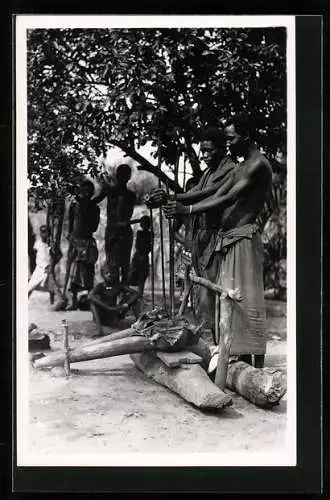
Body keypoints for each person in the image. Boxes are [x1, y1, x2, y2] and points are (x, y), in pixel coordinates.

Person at [164, 114, 273, 368]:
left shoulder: (258, 164)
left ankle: (252, 363)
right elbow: (213, 191)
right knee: (231, 300)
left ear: (245, 136)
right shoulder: (244, 164)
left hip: (244, 239)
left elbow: (228, 198)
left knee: (245, 299)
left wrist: (187, 211)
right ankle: (237, 360)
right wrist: (174, 197)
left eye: (231, 139)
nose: (229, 144)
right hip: (231, 241)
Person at [147, 127, 236, 332]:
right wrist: (167, 197)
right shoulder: (209, 171)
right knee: (199, 291)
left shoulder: (230, 170)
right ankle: (209, 341)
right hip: (202, 237)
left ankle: (217, 345)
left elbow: (208, 194)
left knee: (211, 292)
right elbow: (194, 192)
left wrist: (178, 202)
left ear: (223, 148)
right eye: (202, 151)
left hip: (217, 237)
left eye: (209, 151)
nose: (204, 155)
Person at [93, 164, 136, 286]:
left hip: (124, 230)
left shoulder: (131, 195)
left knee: (125, 264)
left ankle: (122, 293)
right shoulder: (109, 191)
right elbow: (94, 202)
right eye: (121, 174)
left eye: (126, 175)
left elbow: (129, 213)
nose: (124, 177)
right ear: (117, 176)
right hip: (112, 231)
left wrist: (123, 222)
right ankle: (112, 293)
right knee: (112, 263)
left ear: (129, 177)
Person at [64, 180, 100, 310]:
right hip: (75, 241)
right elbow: (70, 221)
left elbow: (95, 227)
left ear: (92, 193)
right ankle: (72, 301)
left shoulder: (94, 207)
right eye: (83, 190)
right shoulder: (75, 205)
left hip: (88, 241)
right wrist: (70, 236)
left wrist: (87, 212)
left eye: (89, 191)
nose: (86, 193)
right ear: (80, 192)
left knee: (88, 270)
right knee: (74, 271)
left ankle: (90, 300)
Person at [89, 262, 141, 337]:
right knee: (93, 304)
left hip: (115, 313)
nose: (109, 275)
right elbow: (90, 296)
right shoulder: (100, 286)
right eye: (106, 273)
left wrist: (126, 304)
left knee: (134, 300)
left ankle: (139, 324)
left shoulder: (118, 285)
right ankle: (100, 331)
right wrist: (108, 307)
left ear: (115, 274)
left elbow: (136, 293)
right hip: (103, 315)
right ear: (102, 275)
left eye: (111, 273)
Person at [128, 215, 152, 297]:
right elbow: (138, 245)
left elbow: (148, 247)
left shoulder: (148, 234)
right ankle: (131, 293)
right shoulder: (141, 233)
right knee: (133, 274)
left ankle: (139, 294)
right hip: (140, 256)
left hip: (142, 256)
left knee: (141, 277)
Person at [28, 225, 51, 298]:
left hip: (48, 269)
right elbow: (34, 254)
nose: (44, 234)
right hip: (39, 268)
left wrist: (51, 265)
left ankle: (54, 302)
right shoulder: (37, 243)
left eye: (46, 232)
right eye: (42, 232)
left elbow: (58, 255)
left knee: (52, 288)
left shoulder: (51, 244)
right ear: (40, 233)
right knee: (30, 287)